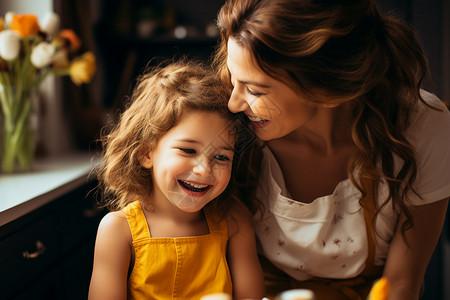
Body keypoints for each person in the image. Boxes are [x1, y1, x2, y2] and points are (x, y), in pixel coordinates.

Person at [213, 0, 450, 299]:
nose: (233, 103)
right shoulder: (225, 123)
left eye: (256, 90)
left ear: (327, 90)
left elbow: (402, 284)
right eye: (233, 78)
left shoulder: (420, 127)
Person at [88, 61, 265, 300]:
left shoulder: (234, 220)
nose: (204, 170)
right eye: (188, 151)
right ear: (146, 153)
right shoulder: (118, 231)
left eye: (222, 157)